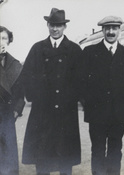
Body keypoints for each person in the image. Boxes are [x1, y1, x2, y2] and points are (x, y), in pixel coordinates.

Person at [20, 8, 82, 175]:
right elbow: (26, 75)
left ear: (64, 27)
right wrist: (35, 96)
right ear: (47, 25)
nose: (55, 29)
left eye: (59, 25)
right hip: (42, 112)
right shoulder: (37, 49)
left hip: (66, 112)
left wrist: (71, 98)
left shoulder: (74, 50)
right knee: (42, 157)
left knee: (65, 159)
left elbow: (81, 79)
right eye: (52, 25)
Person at [82, 16, 124, 175]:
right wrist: (89, 103)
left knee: (115, 150)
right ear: (102, 30)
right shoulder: (90, 52)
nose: (111, 32)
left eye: (114, 28)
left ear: (120, 30)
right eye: (107, 28)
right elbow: (82, 81)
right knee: (97, 150)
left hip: (119, 114)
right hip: (96, 112)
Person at [0, 26, 25, 175]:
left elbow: (21, 94)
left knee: (8, 158)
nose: (0, 42)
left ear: (9, 41)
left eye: (3, 38)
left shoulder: (15, 65)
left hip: (8, 117)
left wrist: (17, 110)